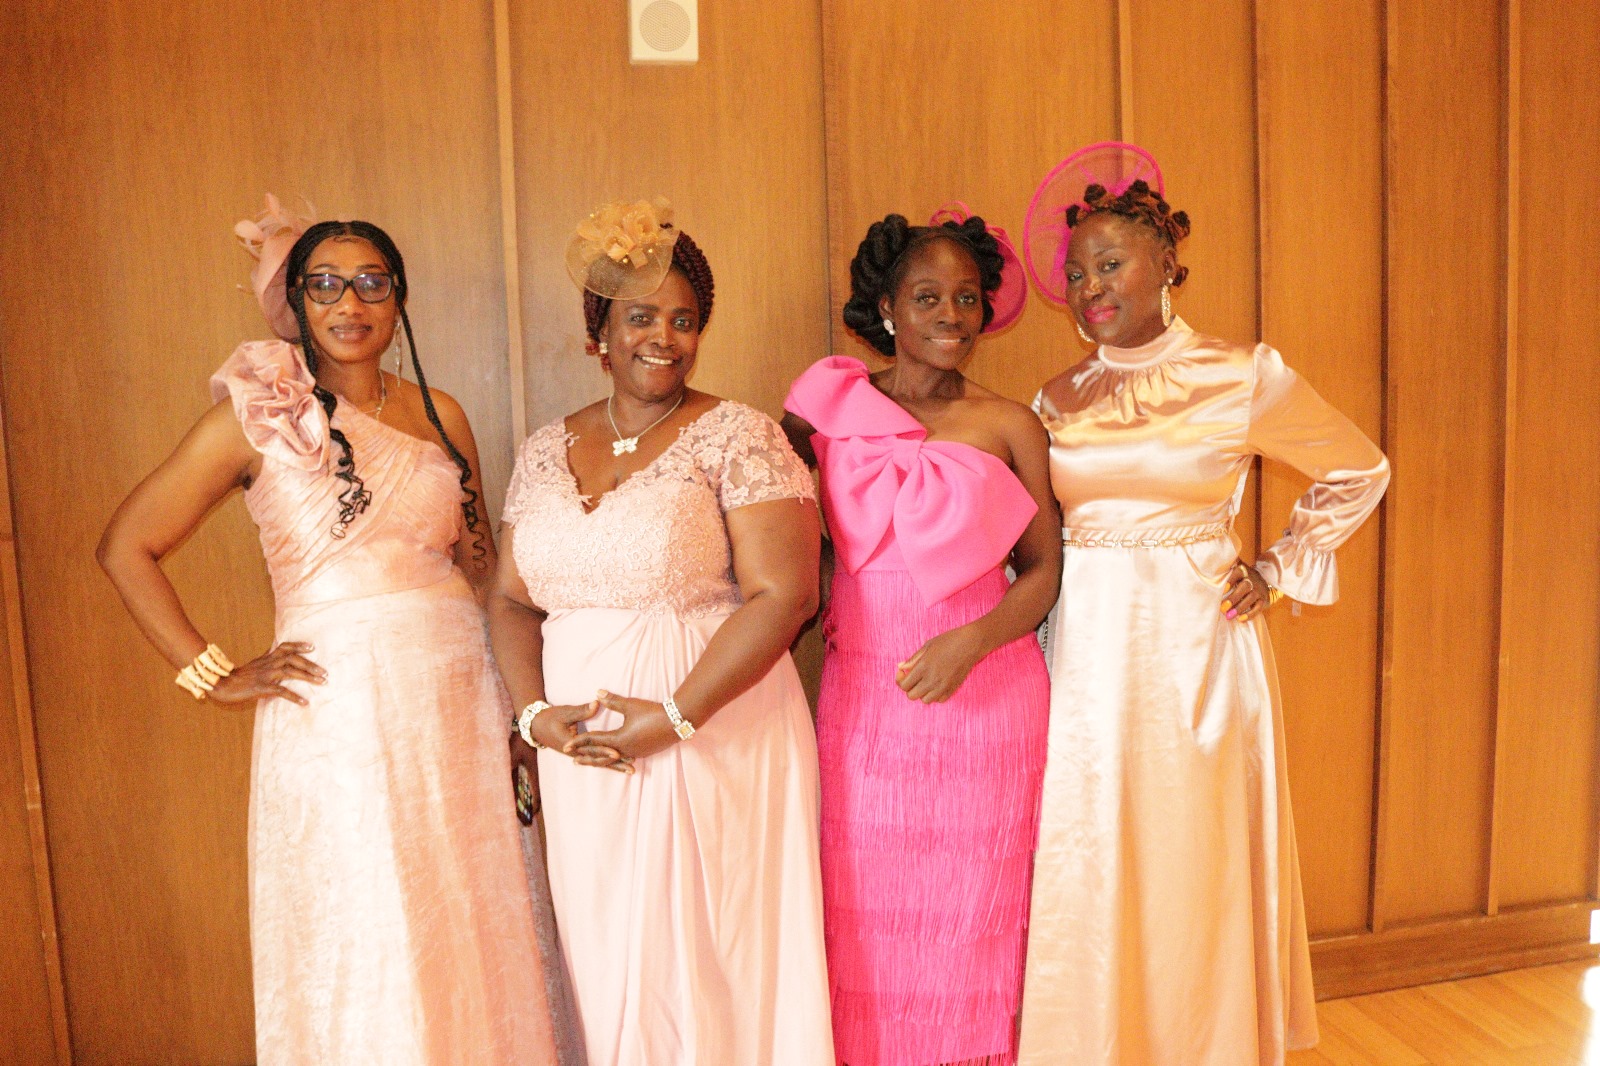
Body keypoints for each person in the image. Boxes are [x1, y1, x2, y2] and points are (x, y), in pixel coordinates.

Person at [96, 201, 561, 1063]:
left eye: (372, 283)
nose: (351, 303)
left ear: (399, 299)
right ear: (297, 302)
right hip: (337, 714)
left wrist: (518, 707)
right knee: (368, 920)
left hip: (458, 703)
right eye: (326, 285)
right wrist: (213, 673)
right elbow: (127, 546)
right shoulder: (256, 416)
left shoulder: (443, 413)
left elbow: (482, 568)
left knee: (470, 908)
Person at [1017, 157, 1391, 1064]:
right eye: (1077, 272)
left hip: (1198, 651)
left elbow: (1358, 468)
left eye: (1111, 265)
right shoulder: (1056, 398)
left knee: (1193, 850)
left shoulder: (1240, 373)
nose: (1090, 287)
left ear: (1167, 266)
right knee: (1094, 842)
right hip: (1087, 654)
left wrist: (1280, 566)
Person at [488, 198, 834, 1065]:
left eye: (684, 320)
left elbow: (786, 595)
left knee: (711, 965)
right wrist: (534, 717)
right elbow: (511, 601)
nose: (665, 338)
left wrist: (675, 716)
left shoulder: (739, 435)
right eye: (641, 317)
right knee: (611, 965)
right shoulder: (543, 450)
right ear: (599, 333)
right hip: (584, 756)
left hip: (714, 733)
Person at [782, 213, 1058, 1066]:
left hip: (987, 694)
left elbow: (1044, 571)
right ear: (887, 307)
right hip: (865, 696)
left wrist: (968, 644)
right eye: (928, 297)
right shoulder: (825, 410)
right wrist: (823, 592)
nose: (951, 315)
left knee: (977, 902)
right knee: (867, 901)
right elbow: (783, 529)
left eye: (967, 298)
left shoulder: (1010, 423)